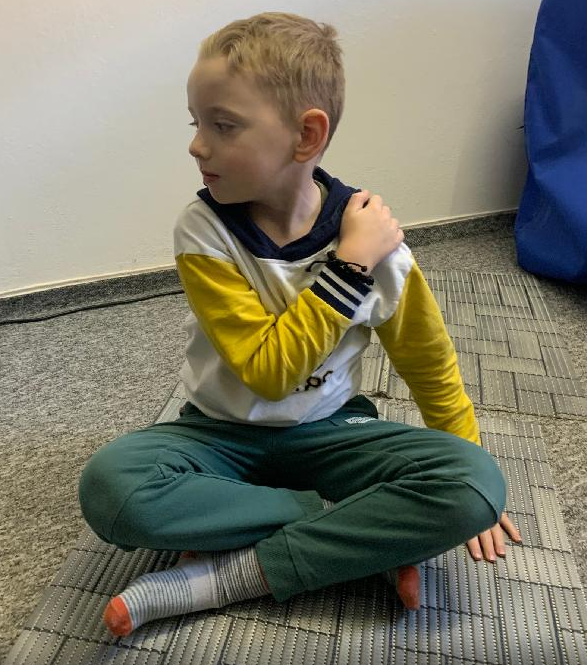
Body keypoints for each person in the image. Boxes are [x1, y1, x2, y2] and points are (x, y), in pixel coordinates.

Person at [78, 12, 522, 637]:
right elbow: (269, 373)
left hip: (331, 434)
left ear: (306, 136)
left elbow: (429, 363)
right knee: (112, 488)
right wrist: (348, 267)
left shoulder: (381, 246)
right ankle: (358, 535)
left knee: (475, 485)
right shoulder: (204, 231)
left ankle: (230, 572)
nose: (197, 145)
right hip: (216, 437)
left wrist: (469, 466)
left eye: (222, 125)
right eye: (195, 123)